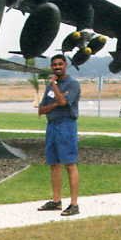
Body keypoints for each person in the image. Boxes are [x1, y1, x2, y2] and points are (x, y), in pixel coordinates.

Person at [37, 53, 80, 216]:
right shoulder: (49, 87)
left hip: (66, 125)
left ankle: (74, 204)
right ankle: (56, 201)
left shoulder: (73, 84)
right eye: (54, 65)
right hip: (52, 125)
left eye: (60, 64)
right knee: (54, 164)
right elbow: (41, 110)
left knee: (69, 163)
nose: (57, 67)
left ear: (65, 65)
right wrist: (56, 102)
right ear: (51, 67)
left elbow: (64, 103)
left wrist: (54, 86)